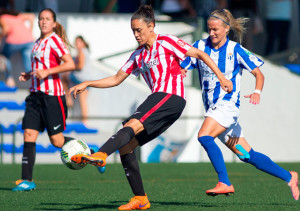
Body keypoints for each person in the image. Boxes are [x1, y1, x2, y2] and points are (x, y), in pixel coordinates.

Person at [70, 5, 233, 210]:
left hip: (170, 96)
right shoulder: (138, 55)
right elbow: (116, 78)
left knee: (131, 125)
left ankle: (101, 154)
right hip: (161, 102)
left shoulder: (166, 41)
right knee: (127, 145)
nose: (136, 35)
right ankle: (140, 198)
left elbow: (200, 54)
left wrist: (221, 76)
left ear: (151, 26)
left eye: (139, 30)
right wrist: (88, 83)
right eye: (133, 31)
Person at [180, 9, 299, 200]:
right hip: (213, 109)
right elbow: (183, 65)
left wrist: (257, 92)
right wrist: (180, 71)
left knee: (204, 136)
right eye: (210, 29)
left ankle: (224, 182)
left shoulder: (235, 49)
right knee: (246, 155)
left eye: (216, 29)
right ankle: (289, 176)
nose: (212, 33)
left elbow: (259, 73)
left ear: (226, 28)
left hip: (227, 107)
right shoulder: (200, 45)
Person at [12, 8, 76, 192]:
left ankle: (91, 153)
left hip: (52, 97)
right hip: (35, 96)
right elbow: (41, 67)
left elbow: (70, 64)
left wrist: (47, 72)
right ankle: (26, 180)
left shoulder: (55, 41)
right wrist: (29, 74)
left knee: (56, 141)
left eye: (47, 19)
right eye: (41, 19)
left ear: (54, 23)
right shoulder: (37, 42)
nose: (43, 22)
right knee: (28, 135)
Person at [0, 9, 35, 87]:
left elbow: (6, 28)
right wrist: (30, 32)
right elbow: (31, 16)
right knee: (28, 64)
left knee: (5, 56)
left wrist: (1, 37)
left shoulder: (2, 17)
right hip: (29, 40)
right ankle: (34, 84)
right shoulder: (18, 16)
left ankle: (9, 79)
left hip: (13, 42)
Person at [65, 35, 92, 124]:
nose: (77, 44)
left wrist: (71, 66)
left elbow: (80, 66)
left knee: (64, 77)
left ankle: (68, 99)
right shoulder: (85, 51)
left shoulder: (82, 52)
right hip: (85, 79)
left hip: (82, 80)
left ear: (83, 43)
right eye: (76, 43)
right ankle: (68, 99)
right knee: (83, 101)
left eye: (78, 42)